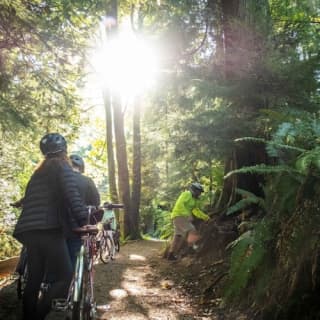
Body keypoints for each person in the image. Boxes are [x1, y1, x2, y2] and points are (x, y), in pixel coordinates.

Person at [13, 133, 89, 320]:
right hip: (49, 229)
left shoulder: (38, 172)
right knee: (65, 277)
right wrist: (84, 222)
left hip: (28, 230)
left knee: (34, 280)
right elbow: (72, 196)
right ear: (64, 151)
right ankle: (38, 316)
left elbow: (31, 199)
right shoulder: (63, 167)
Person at [67, 154, 100, 266]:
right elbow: (96, 202)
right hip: (78, 222)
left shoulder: (58, 178)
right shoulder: (87, 181)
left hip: (57, 222)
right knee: (74, 251)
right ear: (81, 167)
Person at [167, 182, 210, 261]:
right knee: (192, 229)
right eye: (198, 191)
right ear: (194, 190)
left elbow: (196, 210)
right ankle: (190, 248)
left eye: (200, 192)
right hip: (178, 215)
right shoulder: (186, 194)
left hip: (182, 217)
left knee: (178, 237)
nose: (199, 194)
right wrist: (187, 215)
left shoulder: (195, 199)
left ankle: (171, 254)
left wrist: (205, 217)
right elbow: (180, 204)